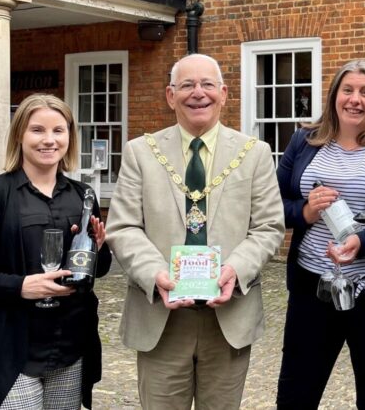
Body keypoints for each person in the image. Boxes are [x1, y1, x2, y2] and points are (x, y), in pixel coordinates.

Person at [105, 53, 284, 409]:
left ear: (224, 93)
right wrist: (154, 274)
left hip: (228, 316)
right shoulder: (141, 152)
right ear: (171, 96)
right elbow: (123, 226)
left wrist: (235, 269)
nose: (197, 93)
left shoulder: (255, 154)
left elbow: (268, 227)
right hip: (162, 317)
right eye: (187, 85)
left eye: (207, 84)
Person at [275, 59, 365, 409]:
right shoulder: (303, 141)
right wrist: (305, 212)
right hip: (313, 288)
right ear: (334, 96)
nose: (355, 99)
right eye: (348, 90)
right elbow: (271, 204)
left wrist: (363, 242)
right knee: (296, 395)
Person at [0, 93, 111, 409]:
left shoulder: (84, 196)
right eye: (38, 130)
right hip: (7, 349)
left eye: (59, 130)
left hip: (68, 347)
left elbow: (98, 269)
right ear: (19, 136)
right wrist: (20, 286)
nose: (49, 140)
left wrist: (99, 248)